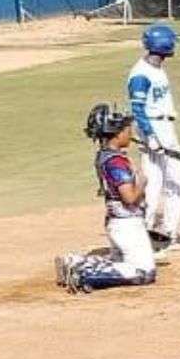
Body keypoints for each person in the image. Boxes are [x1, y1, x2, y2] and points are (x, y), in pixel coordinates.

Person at [55, 104, 157, 294]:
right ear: (117, 134)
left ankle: (75, 262)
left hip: (119, 224)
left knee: (121, 263)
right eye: (127, 129)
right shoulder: (115, 162)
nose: (131, 132)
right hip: (127, 226)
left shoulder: (106, 156)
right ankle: (82, 273)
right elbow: (129, 197)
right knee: (144, 272)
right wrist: (142, 182)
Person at [127, 22, 180, 256]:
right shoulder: (140, 74)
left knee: (155, 183)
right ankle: (165, 233)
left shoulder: (155, 67)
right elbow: (137, 108)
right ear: (163, 45)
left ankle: (157, 233)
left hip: (163, 127)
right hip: (157, 129)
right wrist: (151, 136)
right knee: (173, 183)